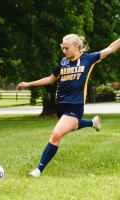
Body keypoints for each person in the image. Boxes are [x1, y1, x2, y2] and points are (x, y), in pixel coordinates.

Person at [16, 34, 120, 177]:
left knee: (56, 135)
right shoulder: (63, 61)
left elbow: (110, 48)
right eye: (62, 47)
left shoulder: (88, 59)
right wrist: (29, 84)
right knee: (73, 125)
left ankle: (38, 170)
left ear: (77, 47)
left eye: (66, 48)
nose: (64, 50)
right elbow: (51, 79)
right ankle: (93, 122)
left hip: (75, 106)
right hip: (61, 106)